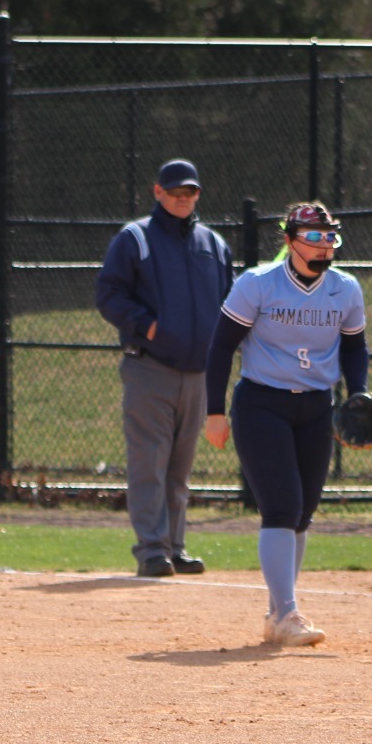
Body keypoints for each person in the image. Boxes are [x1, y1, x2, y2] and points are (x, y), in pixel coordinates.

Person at [203, 201, 368, 646]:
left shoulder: (345, 289)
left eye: (329, 236)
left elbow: (354, 348)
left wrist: (359, 395)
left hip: (316, 406)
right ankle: (289, 613)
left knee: (303, 513)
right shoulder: (258, 284)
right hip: (262, 404)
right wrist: (214, 412)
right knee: (280, 506)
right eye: (313, 237)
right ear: (290, 239)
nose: (323, 246)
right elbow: (220, 348)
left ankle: (278, 612)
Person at [94, 158, 234, 577]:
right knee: (149, 463)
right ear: (158, 192)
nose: (181, 199)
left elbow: (230, 301)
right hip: (150, 368)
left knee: (179, 468)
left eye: (189, 192)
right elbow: (109, 295)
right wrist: (150, 328)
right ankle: (151, 551)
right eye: (174, 192)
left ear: (197, 195)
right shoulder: (135, 238)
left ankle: (175, 546)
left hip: (199, 373)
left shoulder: (214, 244)